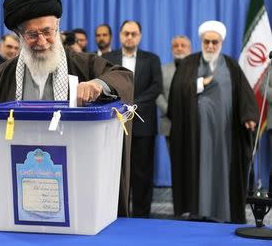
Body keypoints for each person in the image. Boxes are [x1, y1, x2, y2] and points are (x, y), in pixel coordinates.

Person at [0, 0, 134, 217]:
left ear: (57, 27)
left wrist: (97, 85)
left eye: (47, 32)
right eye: (32, 34)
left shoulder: (83, 65)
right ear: (19, 35)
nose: (42, 41)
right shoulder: (0, 77)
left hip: (75, 174)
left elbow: (123, 77)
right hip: (19, 176)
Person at [168, 20, 259, 223]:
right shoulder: (189, 63)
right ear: (201, 41)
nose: (210, 46)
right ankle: (196, 211)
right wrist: (201, 83)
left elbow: (245, 94)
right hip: (195, 132)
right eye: (207, 41)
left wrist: (249, 116)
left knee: (223, 169)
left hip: (225, 133)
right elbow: (177, 91)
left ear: (221, 43)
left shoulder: (231, 65)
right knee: (196, 168)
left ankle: (223, 213)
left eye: (214, 42)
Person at [103, 20, 162, 217]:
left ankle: (142, 215)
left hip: (143, 124)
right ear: (120, 35)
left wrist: (131, 103)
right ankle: (117, 212)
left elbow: (156, 87)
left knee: (142, 173)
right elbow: (104, 85)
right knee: (116, 170)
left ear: (140, 36)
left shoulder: (152, 59)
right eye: (126, 33)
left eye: (134, 34)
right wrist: (122, 105)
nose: (130, 37)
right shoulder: (108, 57)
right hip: (115, 123)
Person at [156, 35, 192, 147]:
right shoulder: (162, 70)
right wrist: (169, 110)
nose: (179, 48)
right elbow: (157, 93)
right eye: (175, 46)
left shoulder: (198, 69)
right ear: (172, 49)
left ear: (190, 49)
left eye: (183, 45)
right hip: (170, 123)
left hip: (193, 123)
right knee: (175, 162)